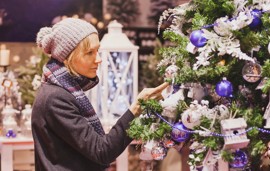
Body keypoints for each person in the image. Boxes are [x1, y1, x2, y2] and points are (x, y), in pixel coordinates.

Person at [32, 18, 168, 171]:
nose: (98, 59)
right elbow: (102, 151)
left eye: (97, 51)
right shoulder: (56, 98)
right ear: (68, 57)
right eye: (89, 53)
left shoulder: (63, 91)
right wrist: (135, 109)